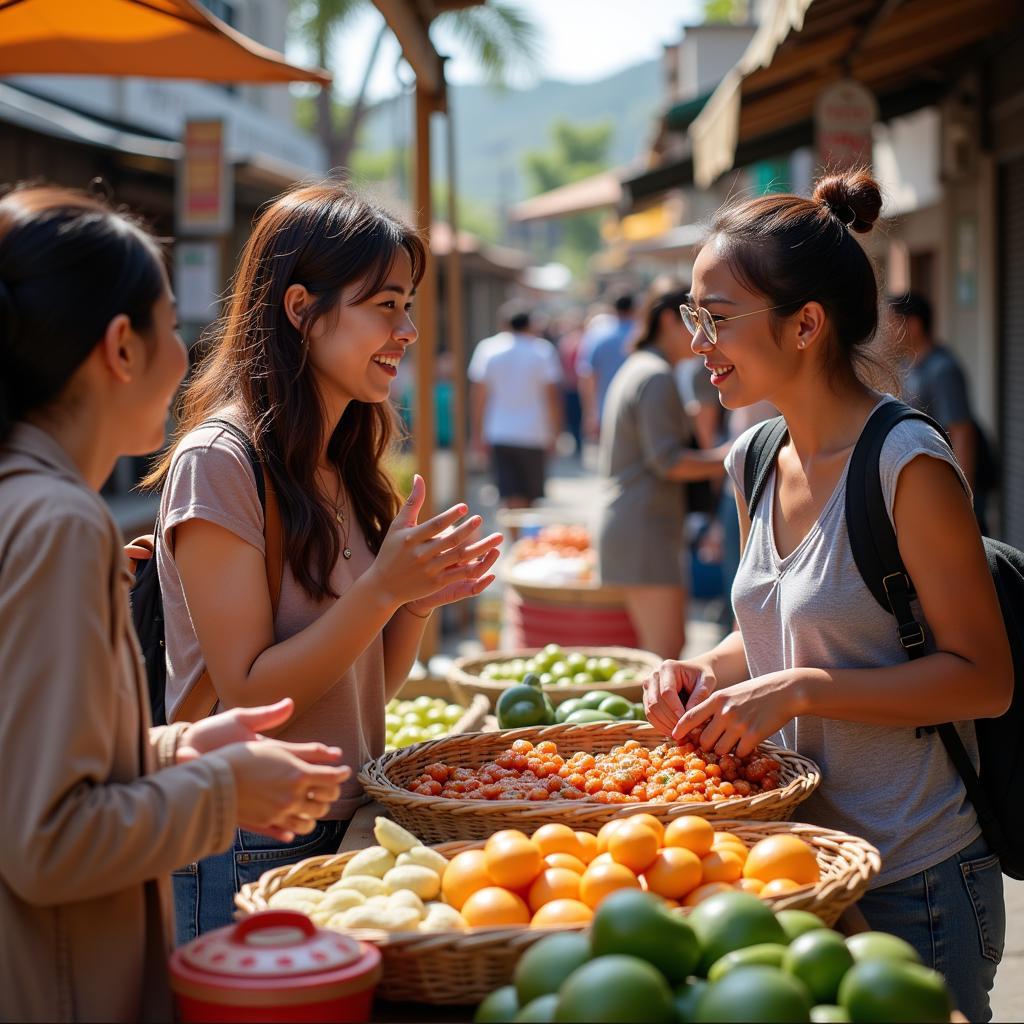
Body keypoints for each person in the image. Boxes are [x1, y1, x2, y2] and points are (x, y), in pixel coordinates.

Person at [642, 171, 1011, 1021]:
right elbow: (772, 629)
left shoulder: (905, 464)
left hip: (913, 878)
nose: (698, 340)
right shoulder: (755, 458)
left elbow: (985, 678)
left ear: (806, 324)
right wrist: (699, 668)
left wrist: (805, 691)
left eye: (716, 315)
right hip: (795, 862)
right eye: (694, 315)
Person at [0, 184, 352, 1022]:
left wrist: (182, 746)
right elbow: (46, 841)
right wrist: (226, 791)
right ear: (121, 347)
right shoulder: (57, 523)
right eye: (167, 323)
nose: (186, 350)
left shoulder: (30, 502)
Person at [144, 182, 502, 942]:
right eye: (385, 305)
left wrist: (415, 599)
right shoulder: (221, 461)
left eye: (408, 306)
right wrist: (381, 590)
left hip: (339, 821)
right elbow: (249, 691)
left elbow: (363, 686)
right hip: (249, 835)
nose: (407, 330)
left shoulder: (342, 464)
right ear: (301, 308)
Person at [597, 280, 729, 660]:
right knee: (667, 655)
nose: (702, 337)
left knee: (660, 653)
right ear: (670, 320)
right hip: (645, 529)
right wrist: (733, 454)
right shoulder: (655, 375)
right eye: (693, 322)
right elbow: (668, 461)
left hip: (638, 526)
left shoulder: (643, 368)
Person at [888, 291, 994, 531]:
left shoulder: (943, 369)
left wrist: (965, 500)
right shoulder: (908, 366)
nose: (888, 331)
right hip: (928, 487)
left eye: (893, 323)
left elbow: (962, 431)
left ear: (913, 325)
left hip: (948, 490)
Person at [469, 300, 562, 508]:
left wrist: (477, 433)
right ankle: (525, 538)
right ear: (530, 324)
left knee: (508, 493)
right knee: (531, 495)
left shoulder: (488, 349)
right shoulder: (543, 351)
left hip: (499, 431)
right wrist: (556, 432)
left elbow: (478, 395)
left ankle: (514, 538)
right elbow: (552, 396)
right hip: (535, 432)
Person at [578, 290, 636, 440]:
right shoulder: (641, 334)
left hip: (606, 409)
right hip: (638, 409)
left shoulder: (598, 336)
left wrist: (590, 413)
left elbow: (587, 377)